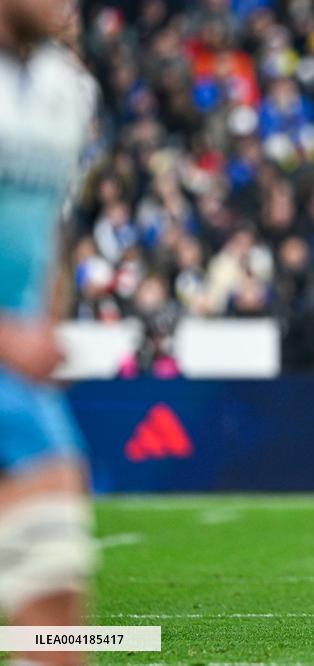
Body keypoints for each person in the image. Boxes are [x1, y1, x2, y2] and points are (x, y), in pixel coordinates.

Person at [0, 0, 98, 661]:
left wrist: (44, 321)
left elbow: (48, 232)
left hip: (17, 382)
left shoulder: (70, 91)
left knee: (57, 604)